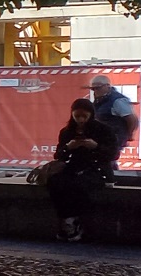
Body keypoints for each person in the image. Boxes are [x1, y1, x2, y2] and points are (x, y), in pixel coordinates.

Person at [47, 97, 116, 242]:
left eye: (84, 116)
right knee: (55, 183)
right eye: (77, 116)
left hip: (95, 168)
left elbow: (112, 154)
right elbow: (59, 155)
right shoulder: (67, 132)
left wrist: (95, 146)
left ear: (91, 115)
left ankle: (72, 221)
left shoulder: (103, 130)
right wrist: (68, 147)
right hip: (73, 167)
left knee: (78, 185)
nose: (81, 120)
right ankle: (67, 219)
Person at [88, 75, 137, 175]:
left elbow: (132, 119)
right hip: (104, 137)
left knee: (107, 159)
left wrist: (129, 135)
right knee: (105, 160)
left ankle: (112, 179)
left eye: (98, 88)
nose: (95, 91)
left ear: (107, 86)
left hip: (114, 137)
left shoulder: (117, 101)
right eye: (93, 89)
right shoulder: (100, 101)